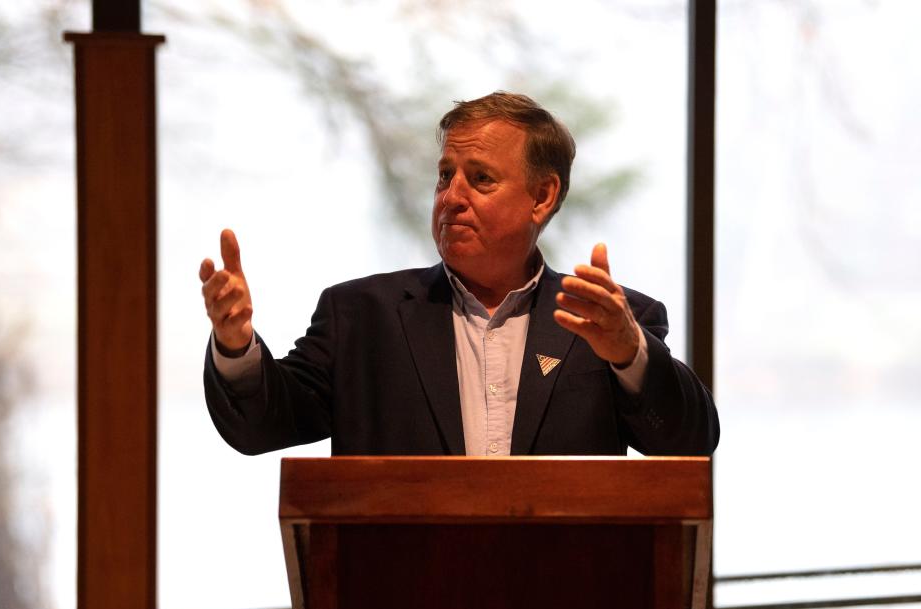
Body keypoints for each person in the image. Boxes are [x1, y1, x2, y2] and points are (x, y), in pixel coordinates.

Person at [200, 92, 719, 456]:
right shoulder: (360, 318)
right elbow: (261, 426)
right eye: (445, 175)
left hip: (564, 604)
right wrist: (236, 348)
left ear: (542, 196)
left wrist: (629, 353)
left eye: (480, 179)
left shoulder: (609, 321)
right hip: (399, 604)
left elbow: (688, 442)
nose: (451, 197)